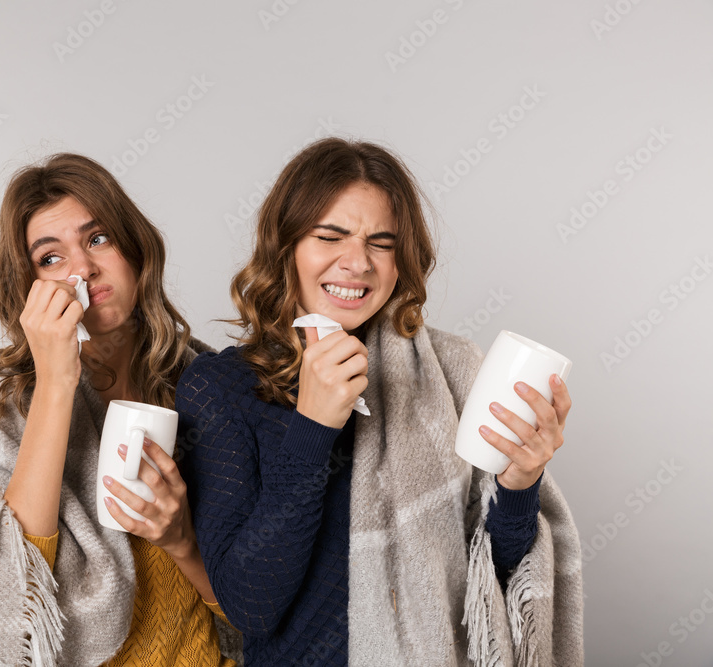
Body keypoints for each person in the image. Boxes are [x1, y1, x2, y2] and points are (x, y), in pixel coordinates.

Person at [176, 137, 584, 665]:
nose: (357, 263)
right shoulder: (221, 387)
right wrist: (314, 425)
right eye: (331, 236)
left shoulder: (453, 372)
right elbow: (251, 606)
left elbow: (490, 581)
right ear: (287, 246)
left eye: (382, 243)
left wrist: (520, 482)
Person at [0, 153, 241, 666]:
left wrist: (182, 540)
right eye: (50, 259)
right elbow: (6, 608)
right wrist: (56, 381)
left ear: (135, 249)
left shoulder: (208, 383)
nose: (84, 268)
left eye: (99, 239)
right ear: (27, 286)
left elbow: (258, 609)